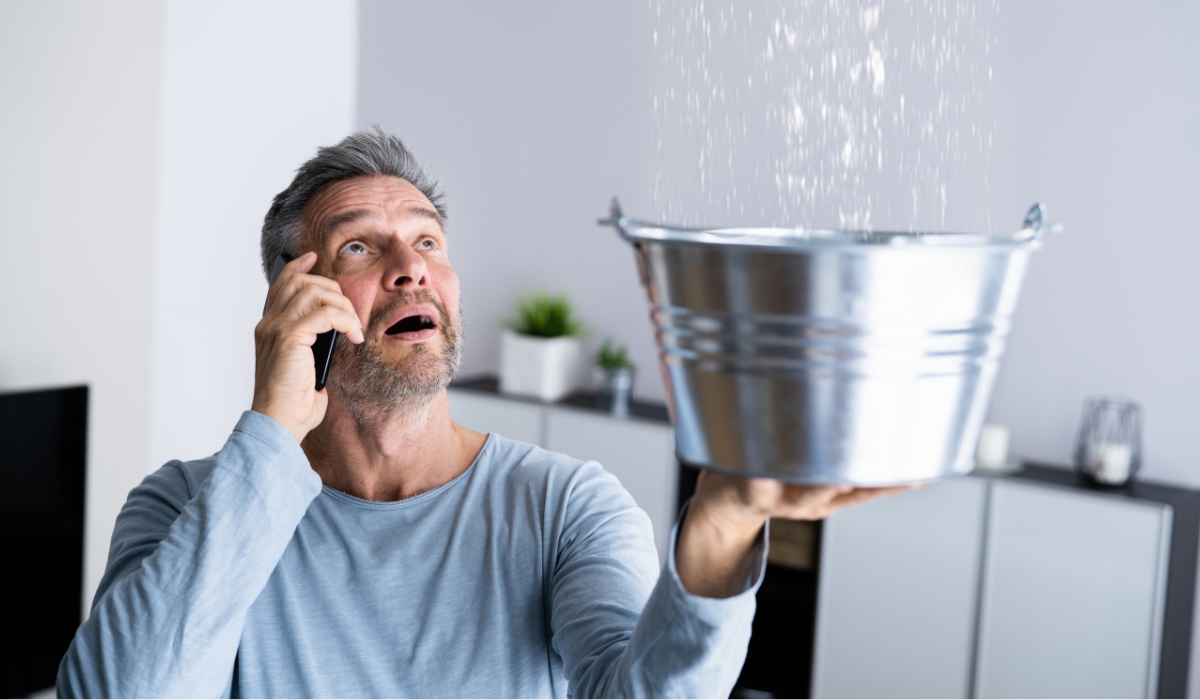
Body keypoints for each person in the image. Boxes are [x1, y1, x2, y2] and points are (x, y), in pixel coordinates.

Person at [58, 129, 903, 697]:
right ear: (293, 299)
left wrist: (718, 526)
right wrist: (273, 433)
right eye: (360, 245)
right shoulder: (182, 509)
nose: (411, 267)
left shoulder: (566, 507)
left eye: (428, 242)